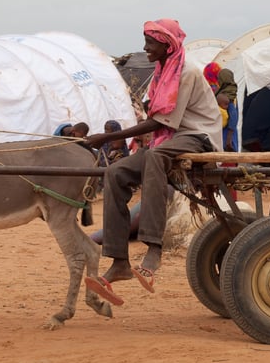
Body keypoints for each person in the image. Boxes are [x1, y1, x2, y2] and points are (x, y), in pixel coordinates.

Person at [84, 19, 222, 305]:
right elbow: (154, 118)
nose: (146, 48)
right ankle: (119, 261)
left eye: (151, 43)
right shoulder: (162, 71)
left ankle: (153, 248)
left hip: (198, 137)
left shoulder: (186, 73)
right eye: (145, 41)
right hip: (172, 139)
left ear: (167, 45)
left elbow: (158, 121)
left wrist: (109, 137)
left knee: (156, 158)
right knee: (115, 173)